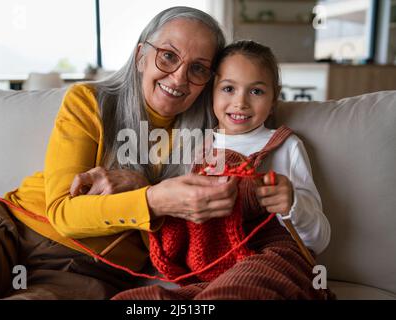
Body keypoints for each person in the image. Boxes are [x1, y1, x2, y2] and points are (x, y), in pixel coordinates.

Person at [0, 7, 232, 299]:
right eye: (168, 56)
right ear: (140, 57)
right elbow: (62, 213)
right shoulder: (88, 102)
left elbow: (186, 247)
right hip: (8, 229)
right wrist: (153, 199)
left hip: (89, 273)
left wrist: (145, 188)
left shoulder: (213, 142)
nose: (179, 77)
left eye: (198, 68)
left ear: (209, 81)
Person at [107, 40, 333, 299]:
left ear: (274, 99)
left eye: (256, 92)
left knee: (236, 289)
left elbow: (319, 239)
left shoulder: (286, 146)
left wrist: (292, 203)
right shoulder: (194, 146)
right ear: (211, 93)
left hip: (272, 256)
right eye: (228, 88)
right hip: (216, 268)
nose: (241, 103)